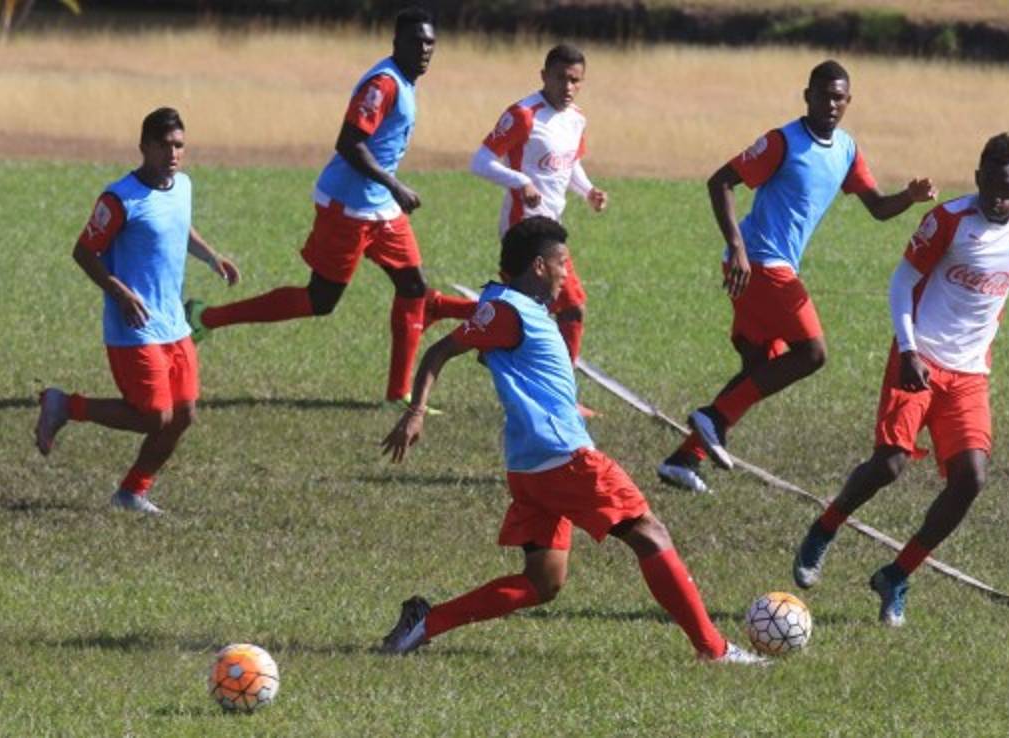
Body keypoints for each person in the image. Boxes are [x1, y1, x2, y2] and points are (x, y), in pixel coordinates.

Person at [378, 216, 763, 665]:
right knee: (650, 533)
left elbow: (475, 349)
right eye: (563, 263)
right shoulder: (509, 311)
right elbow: (442, 350)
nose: (568, 272)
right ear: (540, 266)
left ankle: (425, 622)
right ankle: (714, 650)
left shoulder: (508, 306)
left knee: (544, 583)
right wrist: (416, 411)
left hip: (528, 466)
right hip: (564, 456)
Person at [791, 133, 1009, 626]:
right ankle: (824, 528)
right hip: (919, 357)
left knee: (971, 478)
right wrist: (907, 350)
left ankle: (897, 574)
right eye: (990, 187)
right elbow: (901, 281)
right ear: (977, 179)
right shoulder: (948, 221)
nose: (998, 199)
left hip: (970, 374)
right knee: (888, 467)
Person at [657, 59, 938, 495]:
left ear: (848, 102)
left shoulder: (846, 149)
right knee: (812, 352)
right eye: (823, 95)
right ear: (806, 95)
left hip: (770, 266)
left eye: (839, 97)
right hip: (760, 264)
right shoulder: (781, 141)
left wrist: (910, 197)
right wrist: (735, 246)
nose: (830, 103)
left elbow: (878, 208)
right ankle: (712, 419)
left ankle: (684, 458)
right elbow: (721, 182)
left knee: (760, 367)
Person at [183, 7, 475, 407]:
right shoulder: (383, 84)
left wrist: (389, 192)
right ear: (396, 43)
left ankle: (398, 393)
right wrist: (395, 185)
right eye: (416, 41)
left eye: (430, 44)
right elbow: (349, 143)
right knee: (320, 301)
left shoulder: (406, 81)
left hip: (380, 209)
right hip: (348, 207)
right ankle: (205, 317)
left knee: (412, 287)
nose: (424, 50)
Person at [34, 107, 240, 515]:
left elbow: (179, 226)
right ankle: (64, 405)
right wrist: (119, 291)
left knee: (183, 415)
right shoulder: (119, 198)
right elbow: (84, 251)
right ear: (144, 147)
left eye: (179, 145)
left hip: (174, 325)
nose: (172, 153)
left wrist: (211, 257)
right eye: (163, 145)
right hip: (134, 327)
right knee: (155, 416)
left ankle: (131, 492)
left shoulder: (182, 186)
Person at [469, 44, 607, 414]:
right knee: (571, 308)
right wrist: (520, 182)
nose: (567, 86)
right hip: (524, 231)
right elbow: (479, 161)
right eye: (560, 77)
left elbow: (569, 165)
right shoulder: (523, 115)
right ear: (543, 75)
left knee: (529, 312)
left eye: (575, 80)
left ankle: (476, 335)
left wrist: (588, 191)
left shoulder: (576, 119)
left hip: (552, 227)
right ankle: (564, 399)